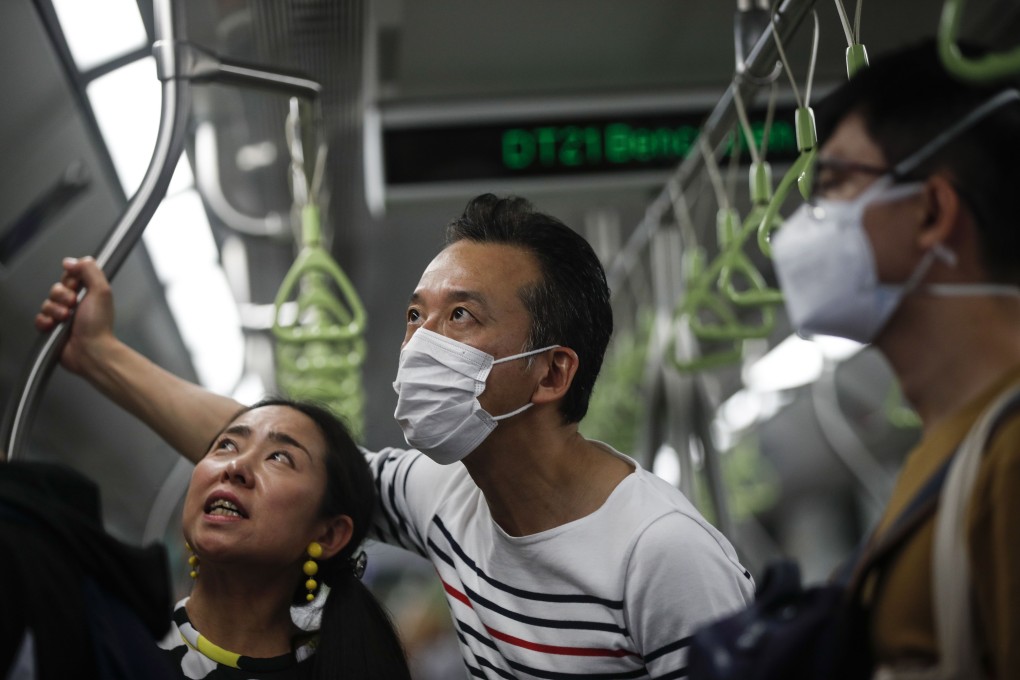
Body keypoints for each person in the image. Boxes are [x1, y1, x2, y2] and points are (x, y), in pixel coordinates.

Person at [36, 193, 754, 678]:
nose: (420, 344)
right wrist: (100, 355)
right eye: (417, 316)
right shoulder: (444, 494)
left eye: (461, 318)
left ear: (549, 374)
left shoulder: (662, 555)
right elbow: (269, 451)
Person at [769, 39, 1020, 678]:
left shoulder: (1011, 454)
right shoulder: (954, 445)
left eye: (835, 184)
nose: (807, 223)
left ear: (932, 211)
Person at [161, 396, 412, 679]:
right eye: (226, 445)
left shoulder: (352, 667)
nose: (235, 467)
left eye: (279, 457)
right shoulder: (118, 640)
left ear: (329, 534)